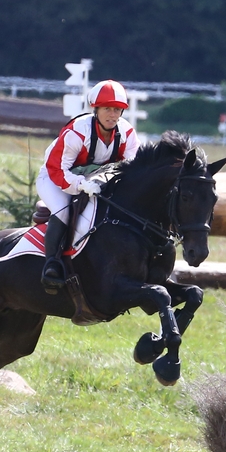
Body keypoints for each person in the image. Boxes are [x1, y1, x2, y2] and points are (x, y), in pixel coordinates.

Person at [36, 79, 139, 292]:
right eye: (108, 109)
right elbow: (57, 170)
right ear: (96, 109)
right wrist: (81, 185)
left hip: (96, 178)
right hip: (55, 177)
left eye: (118, 110)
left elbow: (132, 168)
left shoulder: (127, 134)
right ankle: (51, 265)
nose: (113, 115)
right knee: (64, 212)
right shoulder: (77, 132)